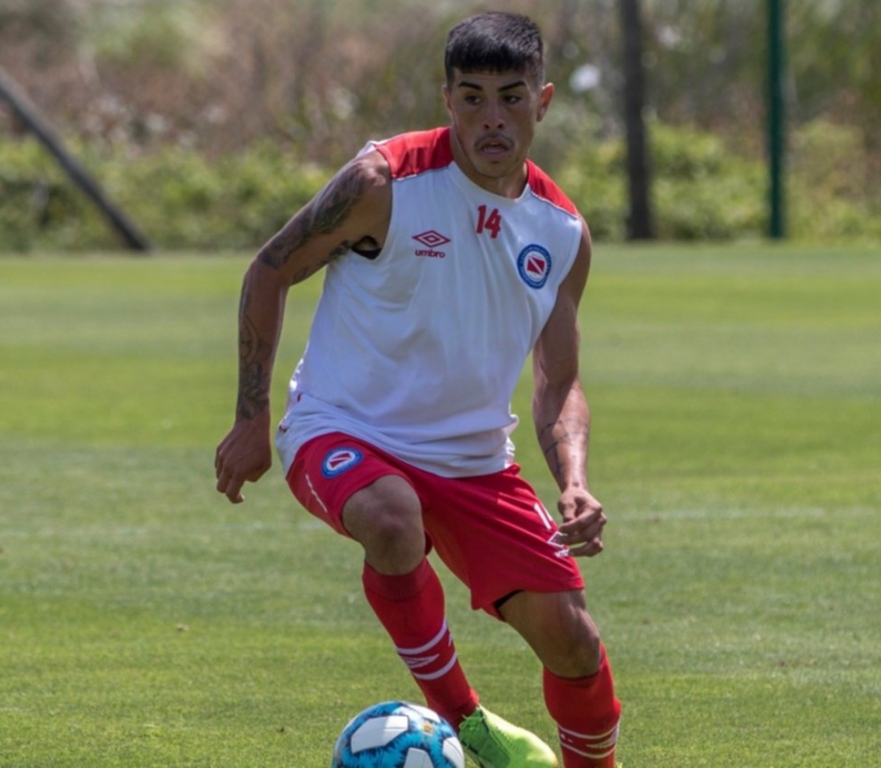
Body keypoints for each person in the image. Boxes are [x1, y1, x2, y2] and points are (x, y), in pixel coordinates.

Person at [213, 12, 621, 768]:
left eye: (510, 97)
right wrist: (252, 416)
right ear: (447, 99)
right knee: (393, 519)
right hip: (343, 429)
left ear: (545, 100)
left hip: (473, 462)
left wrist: (574, 481)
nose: (490, 118)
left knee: (573, 639)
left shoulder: (561, 232)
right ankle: (464, 721)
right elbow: (270, 269)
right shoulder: (383, 183)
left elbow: (557, 380)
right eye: (471, 98)